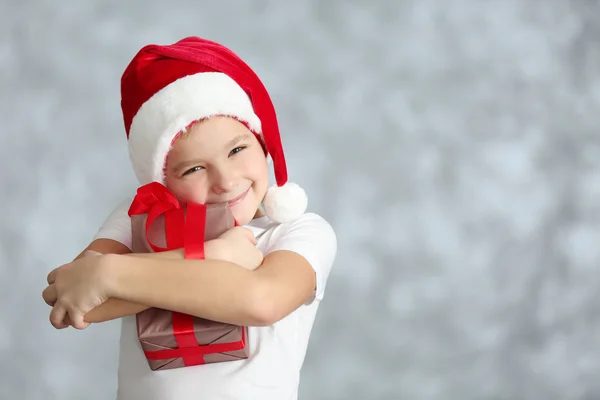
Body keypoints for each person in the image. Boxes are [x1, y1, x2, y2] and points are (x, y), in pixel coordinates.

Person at [42, 37, 337, 400]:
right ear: (163, 179)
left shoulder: (298, 231)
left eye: (237, 149)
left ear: (261, 141)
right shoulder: (143, 216)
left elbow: (261, 301)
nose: (226, 181)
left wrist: (110, 274)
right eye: (195, 168)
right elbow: (72, 297)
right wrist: (215, 254)